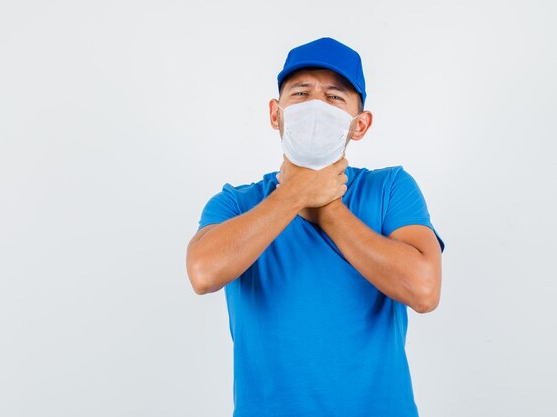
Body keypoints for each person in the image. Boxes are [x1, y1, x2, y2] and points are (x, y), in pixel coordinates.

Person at [186, 37, 445, 417]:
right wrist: (293, 194)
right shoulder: (236, 203)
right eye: (302, 93)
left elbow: (423, 290)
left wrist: (324, 203)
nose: (316, 107)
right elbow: (203, 272)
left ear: (360, 125)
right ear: (276, 114)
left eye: (334, 97)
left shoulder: (389, 189)